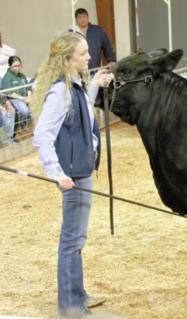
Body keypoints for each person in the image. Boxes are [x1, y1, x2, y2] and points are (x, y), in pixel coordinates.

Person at [31, 31, 114, 318]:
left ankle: (77, 295)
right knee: (71, 240)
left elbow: (82, 116)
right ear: (68, 58)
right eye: (83, 53)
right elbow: (42, 135)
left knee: (77, 238)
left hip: (81, 169)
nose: (89, 57)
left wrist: (96, 86)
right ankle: (69, 306)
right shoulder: (60, 91)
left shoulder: (75, 86)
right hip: (72, 176)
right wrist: (56, 173)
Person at [1, 56, 32, 131]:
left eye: (19, 65)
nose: (17, 68)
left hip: (25, 97)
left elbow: (28, 87)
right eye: (15, 66)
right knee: (25, 111)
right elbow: (9, 93)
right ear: (9, 66)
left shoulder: (22, 75)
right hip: (15, 99)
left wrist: (30, 97)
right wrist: (24, 99)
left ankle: (25, 126)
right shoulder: (7, 77)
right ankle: (21, 127)